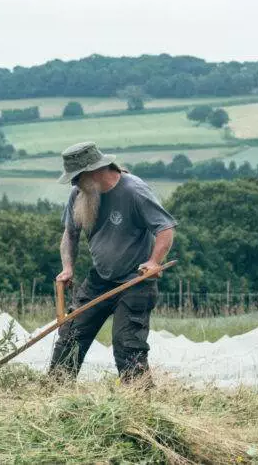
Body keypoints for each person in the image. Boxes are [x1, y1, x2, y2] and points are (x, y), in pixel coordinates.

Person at [49, 141, 176, 382]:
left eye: (77, 177)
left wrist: (154, 261)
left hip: (135, 281)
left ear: (94, 171)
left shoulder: (134, 191)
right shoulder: (80, 194)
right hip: (100, 278)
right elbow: (70, 234)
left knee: (127, 345)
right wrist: (67, 268)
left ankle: (139, 403)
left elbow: (165, 228)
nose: (74, 183)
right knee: (71, 335)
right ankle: (54, 392)